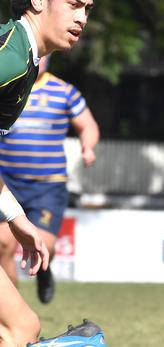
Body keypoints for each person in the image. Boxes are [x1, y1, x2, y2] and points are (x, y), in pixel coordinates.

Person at [0, 2, 151, 347]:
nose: (82, 17)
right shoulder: (9, 58)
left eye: (88, 7)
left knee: (19, 329)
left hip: (41, 189)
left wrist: (17, 220)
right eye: (73, 4)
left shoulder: (25, 59)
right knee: (17, 331)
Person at [0, 54, 100, 305]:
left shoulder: (63, 92)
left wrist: (88, 147)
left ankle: (45, 272)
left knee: (43, 246)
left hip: (47, 186)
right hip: (7, 182)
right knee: (2, 245)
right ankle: (14, 310)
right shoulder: (8, 87)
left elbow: (88, 125)